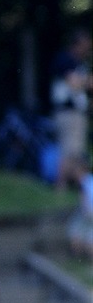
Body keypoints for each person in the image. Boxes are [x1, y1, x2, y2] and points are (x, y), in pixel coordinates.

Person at [50, 28, 92, 190]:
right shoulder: (65, 59)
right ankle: (60, 185)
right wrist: (87, 81)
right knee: (69, 150)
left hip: (76, 113)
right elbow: (73, 83)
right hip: (67, 113)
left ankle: (74, 187)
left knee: (76, 152)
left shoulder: (79, 63)